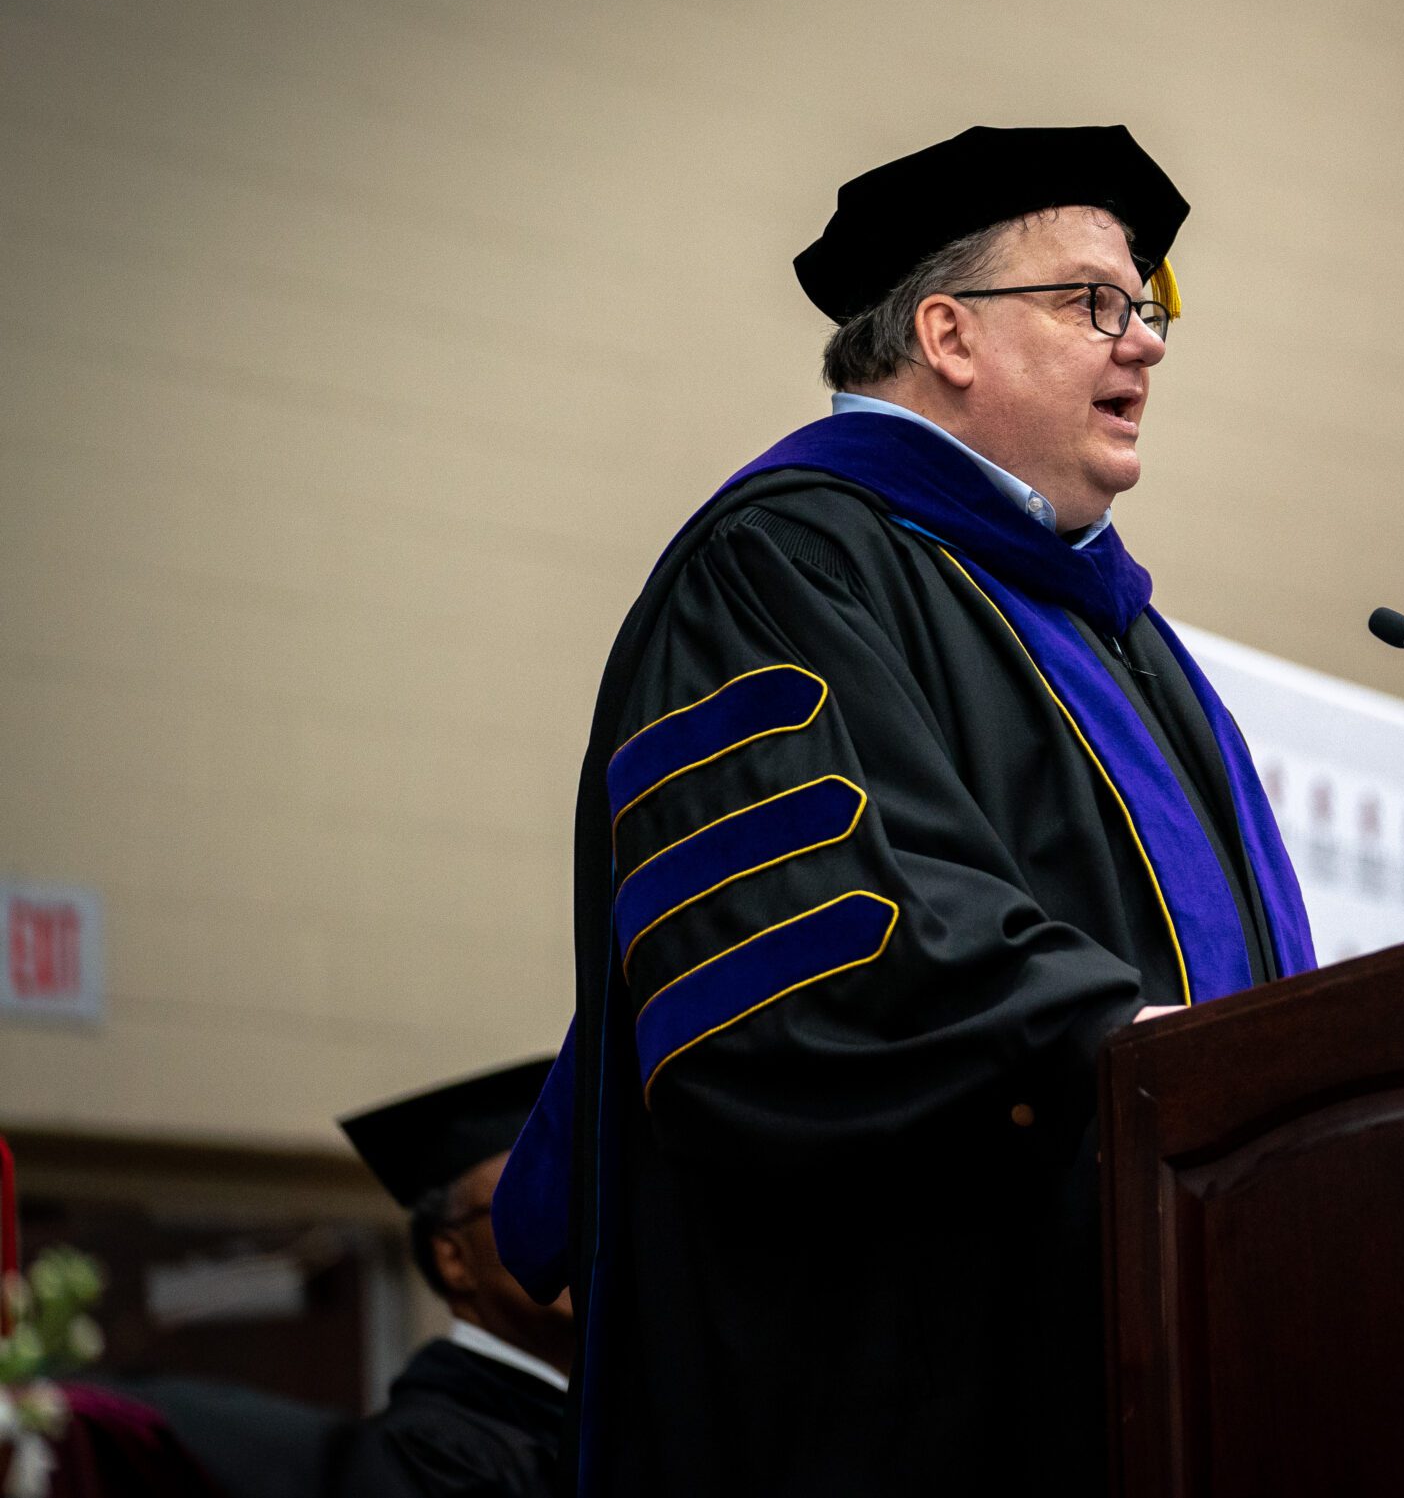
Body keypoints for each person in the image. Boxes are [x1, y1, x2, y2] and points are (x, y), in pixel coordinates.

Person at [492, 125, 1317, 1496]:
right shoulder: (783, 564)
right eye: (1095, 302)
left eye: (1148, 308)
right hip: (910, 1392)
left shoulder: (1129, 639)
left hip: (1152, 1363)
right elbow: (802, 949)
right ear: (948, 332)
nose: (1147, 343)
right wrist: (1131, 1049)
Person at [337, 1059, 568, 1498]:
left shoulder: (630, 1417)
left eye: (586, 1204)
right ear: (453, 1258)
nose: (577, 1233)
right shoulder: (424, 1452)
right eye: (534, 1207)